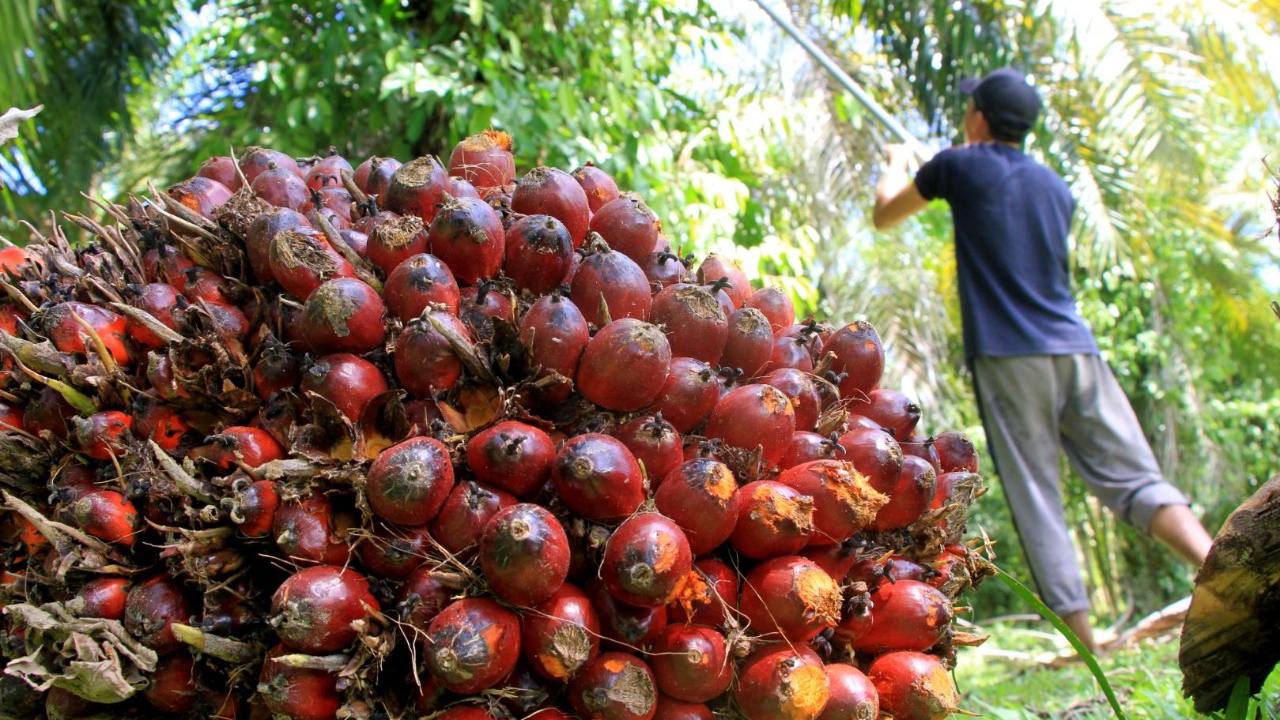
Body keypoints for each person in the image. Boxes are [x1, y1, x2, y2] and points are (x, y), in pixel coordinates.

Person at [870, 68, 1213, 651]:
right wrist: (952, 167)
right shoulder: (1056, 188)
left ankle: (1086, 645)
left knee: (1037, 493)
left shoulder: (957, 163)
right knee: (1136, 477)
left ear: (977, 116)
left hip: (1010, 356)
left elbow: (885, 213)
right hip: (1077, 351)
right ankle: (1220, 565)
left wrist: (899, 163)